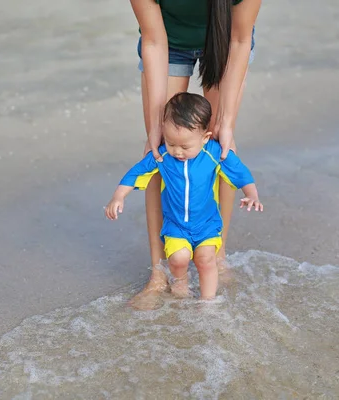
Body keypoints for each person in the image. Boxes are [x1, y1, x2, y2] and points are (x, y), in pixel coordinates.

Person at [129, 0, 261, 309]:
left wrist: (225, 122)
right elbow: (153, 39)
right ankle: (159, 271)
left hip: (226, 41)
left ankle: (217, 252)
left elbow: (240, 39)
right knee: (160, 148)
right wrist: (154, 127)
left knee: (221, 145)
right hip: (167, 43)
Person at [105, 92, 262, 300]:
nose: (177, 151)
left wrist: (252, 194)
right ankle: (180, 283)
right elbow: (136, 173)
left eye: (185, 146)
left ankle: (208, 303)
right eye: (171, 143)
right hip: (176, 225)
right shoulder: (163, 156)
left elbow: (240, 172)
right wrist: (118, 196)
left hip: (207, 224)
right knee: (179, 258)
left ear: (205, 138)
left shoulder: (214, 153)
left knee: (206, 259)